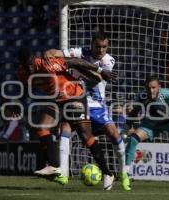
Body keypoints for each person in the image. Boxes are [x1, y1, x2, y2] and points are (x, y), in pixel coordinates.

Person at [16, 47, 116, 190]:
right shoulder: (22, 73)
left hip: (74, 94)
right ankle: (53, 166)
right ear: (21, 64)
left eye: (31, 63)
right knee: (42, 127)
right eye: (26, 65)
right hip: (56, 100)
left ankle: (107, 173)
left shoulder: (47, 63)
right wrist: (17, 103)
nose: (30, 67)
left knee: (85, 136)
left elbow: (75, 61)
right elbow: (24, 87)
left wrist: (100, 71)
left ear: (34, 58)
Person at [45, 31, 130, 190]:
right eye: (98, 46)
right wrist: (52, 55)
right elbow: (54, 54)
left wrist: (73, 63)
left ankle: (122, 173)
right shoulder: (80, 52)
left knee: (114, 133)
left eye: (104, 46)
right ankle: (63, 172)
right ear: (91, 45)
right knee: (65, 127)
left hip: (96, 104)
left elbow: (95, 79)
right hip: (76, 101)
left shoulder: (108, 61)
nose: (101, 50)